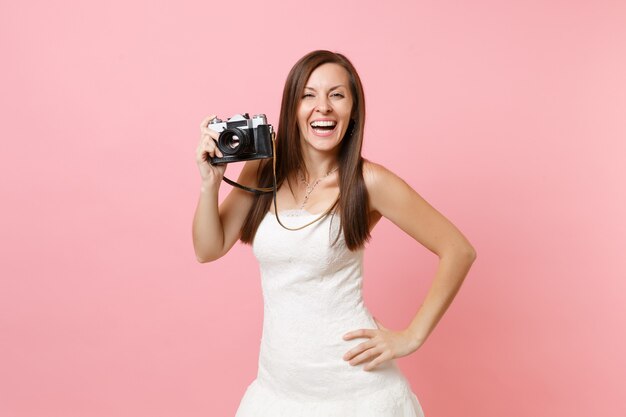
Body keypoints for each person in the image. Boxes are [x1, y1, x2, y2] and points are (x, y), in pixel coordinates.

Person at [192, 50, 476, 417]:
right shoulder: (263, 171)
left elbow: (458, 249)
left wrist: (412, 336)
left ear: (353, 110)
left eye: (337, 95)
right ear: (292, 108)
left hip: (357, 392)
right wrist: (209, 185)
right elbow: (207, 248)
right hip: (278, 390)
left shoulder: (369, 181)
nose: (322, 107)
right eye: (308, 95)